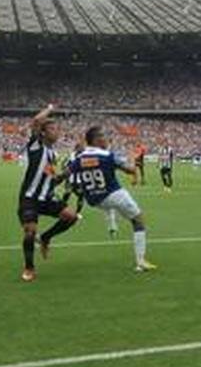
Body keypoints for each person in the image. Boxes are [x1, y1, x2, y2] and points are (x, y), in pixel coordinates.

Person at [69, 125, 156, 272]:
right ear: (96, 139)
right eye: (103, 136)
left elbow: (65, 173)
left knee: (109, 208)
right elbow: (130, 170)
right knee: (138, 220)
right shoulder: (107, 155)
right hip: (113, 194)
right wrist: (134, 162)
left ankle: (112, 225)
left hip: (94, 199)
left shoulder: (80, 158)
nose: (106, 139)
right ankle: (140, 261)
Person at [17, 104, 81, 283]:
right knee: (30, 231)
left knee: (71, 217)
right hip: (30, 197)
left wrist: (66, 173)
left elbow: (52, 179)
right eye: (52, 129)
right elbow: (36, 120)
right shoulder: (36, 145)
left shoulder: (53, 154)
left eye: (57, 129)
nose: (57, 132)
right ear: (43, 133)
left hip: (47, 198)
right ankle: (29, 268)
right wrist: (50, 108)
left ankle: (46, 238)